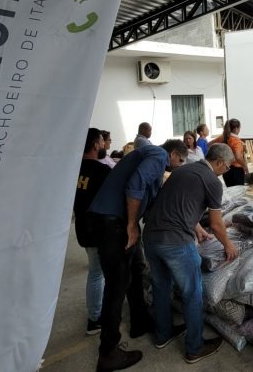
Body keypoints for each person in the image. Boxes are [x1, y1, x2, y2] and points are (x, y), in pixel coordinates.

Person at [87, 139, 189, 371]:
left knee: (135, 270)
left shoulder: (155, 163)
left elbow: (152, 202)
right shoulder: (157, 155)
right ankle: (108, 352)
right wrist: (132, 226)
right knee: (117, 284)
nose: (178, 166)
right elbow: (135, 185)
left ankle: (139, 322)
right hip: (112, 223)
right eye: (180, 161)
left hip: (114, 222)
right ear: (173, 153)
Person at [143, 143, 238, 364]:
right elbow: (217, 223)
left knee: (161, 286)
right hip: (176, 242)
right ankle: (195, 348)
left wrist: (197, 228)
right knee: (192, 293)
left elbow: (177, 205)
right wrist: (228, 245)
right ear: (219, 162)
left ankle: (162, 334)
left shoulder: (182, 170)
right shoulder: (213, 182)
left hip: (150, 237)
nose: (228, 169)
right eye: (228, 166)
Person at [73, 128, 111, 336]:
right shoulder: (101, 171)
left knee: (96, 272)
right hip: (99, 229)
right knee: (98, 273)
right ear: (96, 144)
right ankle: (95, 318)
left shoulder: (73, 169)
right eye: (102, 141)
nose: (104, 144)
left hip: (82, 228)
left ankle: (96, 312)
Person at [211, 118, 247, 187]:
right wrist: (245, 166)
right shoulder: (236, 141)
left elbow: (209, 145)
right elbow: (238, 157)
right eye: (239, 128)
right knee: (237, 193)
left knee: (231, 192)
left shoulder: (223, 137)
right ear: (236, 128)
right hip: (236, 170)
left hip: (226, 169)